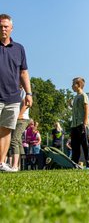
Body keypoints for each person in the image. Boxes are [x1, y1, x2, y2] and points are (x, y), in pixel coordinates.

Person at [0, 14, 33, 172]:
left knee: (6, 131)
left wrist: (28, 93)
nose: (3, 29)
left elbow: (24, 73)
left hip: (13, 97)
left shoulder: (19, 49)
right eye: (1, 26)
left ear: (11, 28)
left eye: (6, 26)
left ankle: (1, 163)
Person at [9, 86, 31, 170]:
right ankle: (21, 165)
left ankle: (15, 165)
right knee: (18, 141)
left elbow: (26, 103)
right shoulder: (17, 91)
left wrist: (19, 115)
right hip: (18, 118)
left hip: (22, 119)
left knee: (14, 140)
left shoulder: (24, 91)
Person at [71, 77, 89, 168]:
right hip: (74, 125)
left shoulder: (83, 95)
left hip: (81, 124)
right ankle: (75, 163)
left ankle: (88, 163)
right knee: (75, 145)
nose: (71, 86)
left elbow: (86, 108)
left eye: (73, 84)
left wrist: (85, 123)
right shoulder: (75, 97)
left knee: (85, 144)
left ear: (78, 85)